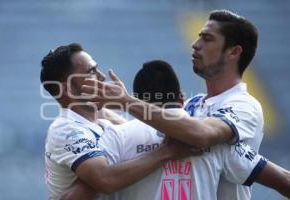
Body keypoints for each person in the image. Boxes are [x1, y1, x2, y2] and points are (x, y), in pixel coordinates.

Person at [80, 10, 289, 199]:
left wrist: (126, 101)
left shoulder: (244, 106)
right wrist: (99, 110)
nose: (195, 44)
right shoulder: (193, 106)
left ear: (233, 52)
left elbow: (202, 134)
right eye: (198, 37)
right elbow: (149, 128)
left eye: (207, 39)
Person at [67, 60, 290, 199]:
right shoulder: (215, 138)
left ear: (138, 101)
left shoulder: (117, 137)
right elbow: (284, 180)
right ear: (181, 98)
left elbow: (76, 196)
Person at [41, 43, 194, 200]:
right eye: (91, 72)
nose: (101, 76)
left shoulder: (100, 123)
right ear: (67, 89)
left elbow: (137, 131)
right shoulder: (66, 129)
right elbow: (105, 179)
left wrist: (125, 101)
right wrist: (168, 151)